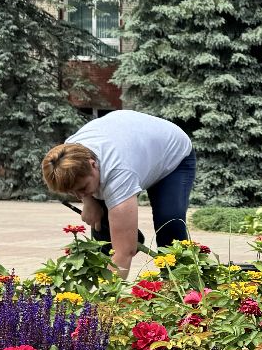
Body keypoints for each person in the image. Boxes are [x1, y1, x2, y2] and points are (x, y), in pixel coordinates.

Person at [41, 110, 195, 279]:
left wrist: (107, 301)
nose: (78, 195)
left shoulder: (119, 172)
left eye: (83, 188)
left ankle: (181, 285)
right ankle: (125, 243)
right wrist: (88, 200)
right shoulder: (68, 153)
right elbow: (83, 186)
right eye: (72, 192)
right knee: (102, 231)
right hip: (134, 148)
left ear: (93, 165)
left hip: (172, 157)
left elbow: (124, 253)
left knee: (169, 220)